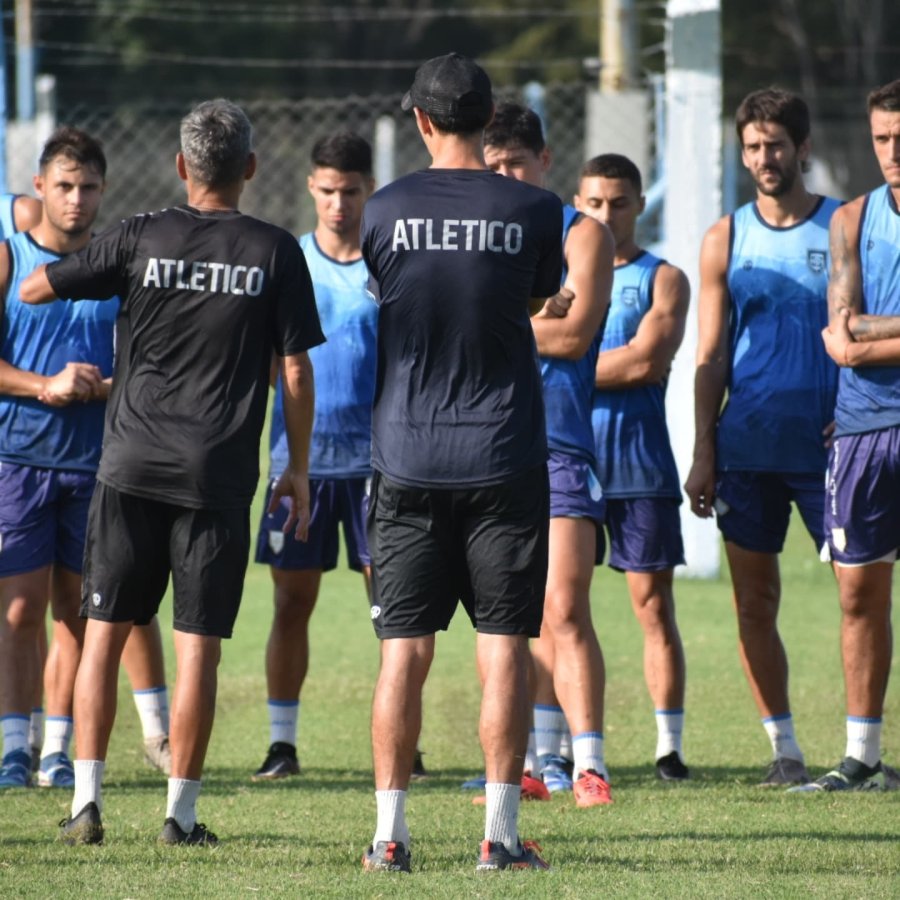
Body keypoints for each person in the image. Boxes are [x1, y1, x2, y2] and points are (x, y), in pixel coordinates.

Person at [20, 99, 323, 845]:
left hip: (127, 465)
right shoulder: (275, 250)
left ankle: (85, 805)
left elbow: (35, 287)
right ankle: (178, 816)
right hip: (216, 475)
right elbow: (294, 369)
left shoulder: (139, 235)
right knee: (198, 647)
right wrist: (299, 467)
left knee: (102, 634)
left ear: (182, 166)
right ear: (250, 168)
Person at [360, 53, 564, 873]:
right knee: (504, 643)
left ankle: (388, 837)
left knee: (402, 652)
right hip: (502, 452)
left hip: (405, 452)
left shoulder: (383, 210)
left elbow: (397, 290)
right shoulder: (536, 209)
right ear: (488, 120)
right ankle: (500, 838)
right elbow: (532, 294)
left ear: (420, 121)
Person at [0, 128, 171, 790]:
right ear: (39, 187)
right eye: (64, 186)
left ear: (104, 192)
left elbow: (144, 363)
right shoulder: (12, 261)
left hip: (97, 465)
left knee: (78, 606)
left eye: (88, 187)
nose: (75, 199)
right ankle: (15, 745)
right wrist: (43, 384)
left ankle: (57, 749)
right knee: (19, 609)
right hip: (18, 458)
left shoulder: (116, 269)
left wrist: (102, 386)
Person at [684, 88, 841, 786]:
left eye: (775, 144)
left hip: (835, 447)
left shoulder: (845, 227)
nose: (764, 158)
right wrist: (703, 448)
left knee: (861, 597)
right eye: (752, 146)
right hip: (747, 447)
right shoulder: (725, 236)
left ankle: (862, 748)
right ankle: (785, 750)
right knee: (754, 602)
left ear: (801, 149)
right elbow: (711, 355)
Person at [483, 104, 614, 805]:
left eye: (516, 164)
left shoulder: (582, 234)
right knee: (506, 614)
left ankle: (590, 764)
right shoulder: (479, 234)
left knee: (563, 606)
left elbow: (572, 336)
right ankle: (535, 765)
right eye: (493, 165)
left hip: (560, 441)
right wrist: (538, 311)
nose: (505, 176)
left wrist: (495, 319)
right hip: (489, 441)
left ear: (545, 161)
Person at [251, 131, 381, 780]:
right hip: (297, 460)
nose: (338, 204)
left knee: (391, 605)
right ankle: (283, 744)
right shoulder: (288, 260)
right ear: (311, 188)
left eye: (351, 191)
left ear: (369, 189)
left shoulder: (387, 266)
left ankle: (399, 731)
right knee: (290, 602)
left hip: (378, 465)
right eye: (327, 191)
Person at [793, 78, 900, 792]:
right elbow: (840, 331)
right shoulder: (852, 219)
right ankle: (862, 757)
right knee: (858, 593)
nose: (893, 151)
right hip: (862, 427)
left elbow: (860, 329)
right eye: (883, 138)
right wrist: (860, 335)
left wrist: (867, 333)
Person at [575, 153, 691, 781]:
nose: (605, 213)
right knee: (559, 608)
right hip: (570, 462)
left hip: (641, 463)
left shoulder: (663, 278)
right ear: (577, 201)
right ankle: (556, 748)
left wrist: (564, 362)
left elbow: (648, 362)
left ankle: (668, 748)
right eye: (593, 202)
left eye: (618, 202)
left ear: (640, 204)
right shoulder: (560, 276)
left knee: (652, 604)